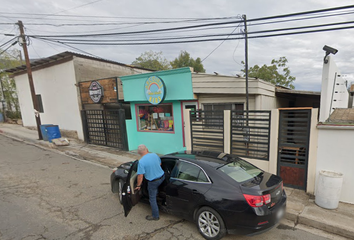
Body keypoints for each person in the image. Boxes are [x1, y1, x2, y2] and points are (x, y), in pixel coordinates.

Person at [135, 144, 165, 221]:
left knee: (152, 198)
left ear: (139, 152)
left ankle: (155, 216)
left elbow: (140, 176)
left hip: (153, 182)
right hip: (162, 177)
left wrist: (138, 185)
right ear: (147, 149)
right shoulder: (154, 155)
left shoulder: (141, 162)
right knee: (157, 189)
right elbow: (160, 164)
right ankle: (158, 194)